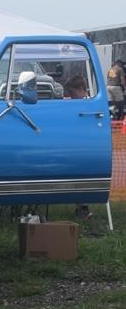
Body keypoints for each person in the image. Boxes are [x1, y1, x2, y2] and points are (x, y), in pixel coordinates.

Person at [64, 74, 93, 219]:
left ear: (81, 89)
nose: (69, 96)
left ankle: (84, 208)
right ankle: (80, 207)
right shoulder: (74, 104)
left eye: (71, 92)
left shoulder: (91, 106)